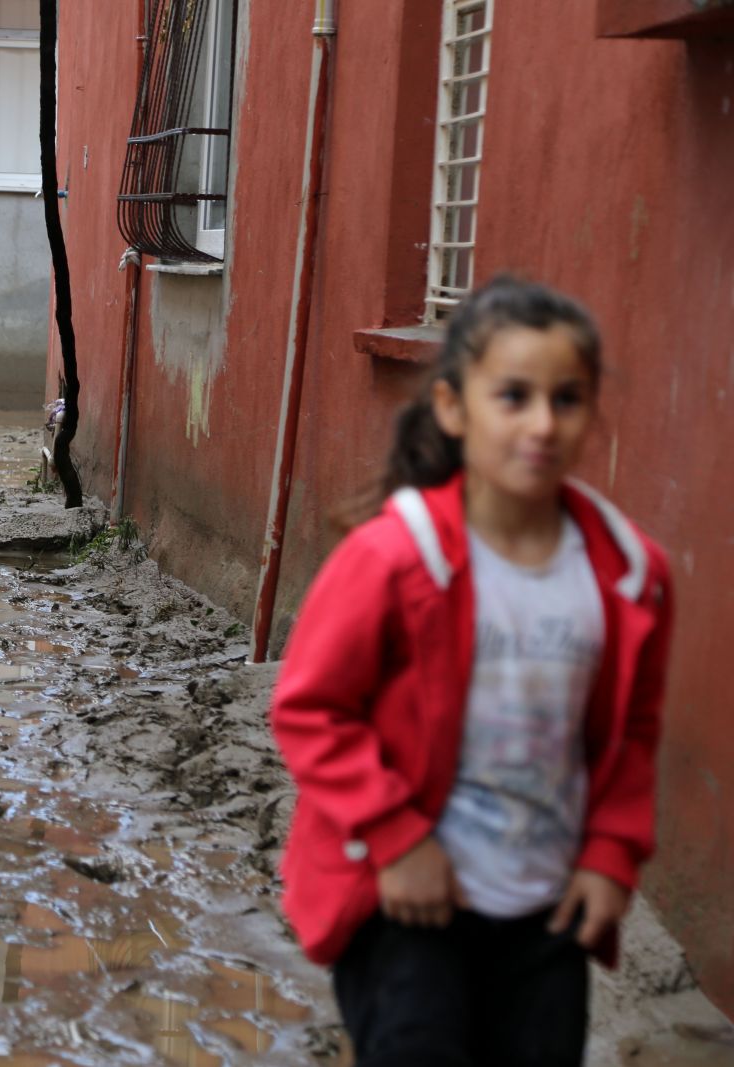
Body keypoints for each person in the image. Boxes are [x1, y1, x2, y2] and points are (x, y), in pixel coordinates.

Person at [270, 277, 675, 1067]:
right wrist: (396, 838)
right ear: (454, 408)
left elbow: (632, 734)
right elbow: (310, 707)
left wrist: (609, 855)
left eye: (568, 399)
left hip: (546, 912)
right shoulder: (395, 557)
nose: (542, 423)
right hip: (408, 906)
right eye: (513, 396)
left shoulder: (628, 573)